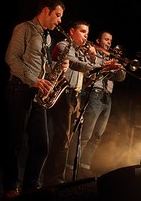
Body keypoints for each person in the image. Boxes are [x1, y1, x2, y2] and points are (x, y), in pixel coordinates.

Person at [2, 0, 67, 199]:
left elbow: (42, 66)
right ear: (45, 10)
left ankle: (31, 187)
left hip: (37, 93)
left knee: (41, 145)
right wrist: (34, 80)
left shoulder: (47, 37)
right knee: (15, 142)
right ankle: (11, 187)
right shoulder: (23, 28)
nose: (59, 20)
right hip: (19, 89)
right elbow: (11, 58)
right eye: (57, 15)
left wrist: (57, 67)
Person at [43, 20, 99, 186]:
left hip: (75, 96)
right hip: (62, 95)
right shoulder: (63, 45)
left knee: (65, 140)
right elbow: (77, 65)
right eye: (82, 32)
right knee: (61, 139)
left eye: (87, 33)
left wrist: (93, 58)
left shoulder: (81, 52)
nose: (85, 36)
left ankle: (56, 178)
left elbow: (88, 77)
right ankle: (53, 180)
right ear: (72, 31)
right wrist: (95, 63)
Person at [76, 30, 126, 178]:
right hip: (95, 93)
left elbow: (121, 78)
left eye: (110, 40)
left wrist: (119, 66)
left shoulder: (112, 57)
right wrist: (107, 66)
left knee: (97, 135)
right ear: (98, 40)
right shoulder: (94, 54)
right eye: (106, 39)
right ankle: (72, 166)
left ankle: (85, 165)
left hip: (107, 98)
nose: (109, 43)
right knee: (86, 134)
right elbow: (90, 71)